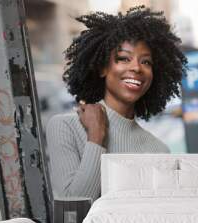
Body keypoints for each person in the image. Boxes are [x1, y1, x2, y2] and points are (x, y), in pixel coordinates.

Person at [46, 6, 187, 201]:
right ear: (103, 67)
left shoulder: (158, 150)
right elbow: (73, 210)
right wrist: (96, 137)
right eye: (123, 58)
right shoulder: (64, 127)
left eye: (146, 62)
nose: (137, 67)